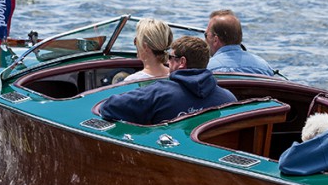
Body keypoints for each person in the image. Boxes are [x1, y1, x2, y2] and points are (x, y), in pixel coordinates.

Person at [99, 36, 237, 125]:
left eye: (170, 57)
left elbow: (108, 107)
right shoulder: (229, 99)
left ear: (182, 62)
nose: (167, 62)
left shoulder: (158, 93)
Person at [205, 9, 275, 76]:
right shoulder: (265, 68)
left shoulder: (207, 70)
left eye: (206, 35)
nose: (205, 40)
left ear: (215, 40)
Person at [122, 18, 172, 83]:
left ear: (144, 46)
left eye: (136, 41)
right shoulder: (175, 75)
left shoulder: (132, 81)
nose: (135, 44)